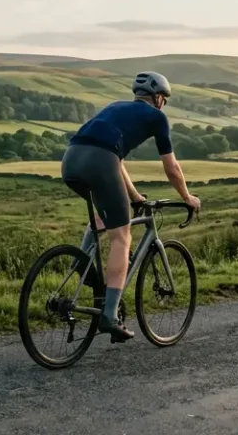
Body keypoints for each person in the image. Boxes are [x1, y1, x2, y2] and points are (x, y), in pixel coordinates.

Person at [60, 71, 202, 342]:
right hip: (100, 162)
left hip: (71, 161)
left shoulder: (115, 107)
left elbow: (118, 162)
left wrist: (136, 197)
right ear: (159, 98)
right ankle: (109, 316)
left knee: (102, 220)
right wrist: (186, 196)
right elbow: (171, 166)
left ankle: (84, 265)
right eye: (164, 100)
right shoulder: (157, 117)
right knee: (122, 238)